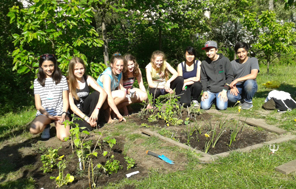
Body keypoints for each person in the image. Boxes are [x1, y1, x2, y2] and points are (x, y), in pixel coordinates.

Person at [30, 54, 70, 141]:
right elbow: (38, 105)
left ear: (55, 65)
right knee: (33, 129)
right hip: (45, 114)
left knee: (64, 138)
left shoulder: (62, 79)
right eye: (45, 66)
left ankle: (58, 126)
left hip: (60, 113)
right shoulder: (37, 81)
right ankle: (46, 126)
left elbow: (65, 100)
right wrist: (48, 115)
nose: (48, 69)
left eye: (51, 65)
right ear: (41, 66)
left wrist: (63, 113)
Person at [68, 57, 107, 131]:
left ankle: (94, 120)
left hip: (89, 110)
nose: (79, 71)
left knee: (96, 94)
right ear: (71, 70)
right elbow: (72, 106)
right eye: (76, 69)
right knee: (87, 128)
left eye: (81, 68)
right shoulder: (68, 82)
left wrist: (97, 110)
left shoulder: (87, 79)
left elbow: (103, 93)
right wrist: (86, 119)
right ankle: (91, 122)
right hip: (78, 113)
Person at [200, 41, 234, 110]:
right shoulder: (204, 63)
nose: (209, 53)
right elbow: (203, 78)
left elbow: (230, 76)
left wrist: (225, 90)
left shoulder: (225, 60)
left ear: (216, 50)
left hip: (221, 89)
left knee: (221, 107)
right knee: (204, 107)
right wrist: (205, 91)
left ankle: (217, 100)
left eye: (211, 50)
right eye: (207, 51)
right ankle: (213, 99)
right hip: (210, 89)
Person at [227, 42, 259, 109]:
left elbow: (253, 75)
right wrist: (232, 87)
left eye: (243, 52)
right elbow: (229, 77)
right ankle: (241, 99)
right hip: (237, 87)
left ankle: (248, 101)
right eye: (238, 52)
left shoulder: (253, 60)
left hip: (249, 85)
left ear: (247, 51)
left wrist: (237, 79)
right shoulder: (232, 63)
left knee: (249, 83)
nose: (241, 54)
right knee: (230, 97)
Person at [97, 53, 126, 123]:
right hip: (100, 98)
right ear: (111, 65)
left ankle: (109, 112)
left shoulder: (119, 73)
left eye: (121, 65)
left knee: (123, 93)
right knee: (122, 94)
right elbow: (109, 96)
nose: (120, 68)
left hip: (108, 96)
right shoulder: (107, 76)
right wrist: (118, 114)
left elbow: (118, 87)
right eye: (117, 65)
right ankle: (107, 113)